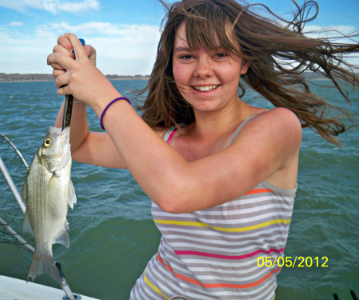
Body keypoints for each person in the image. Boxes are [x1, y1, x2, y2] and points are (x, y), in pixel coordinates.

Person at [47, 0, 358, 299]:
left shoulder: (277, 127)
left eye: (220, 54)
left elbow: (179, 191)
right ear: (171, 65)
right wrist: (75, 90)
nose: (202, 70)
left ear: (244, 62)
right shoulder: (166, 139)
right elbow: (77, 146)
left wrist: (102, 92)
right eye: (186, 56)